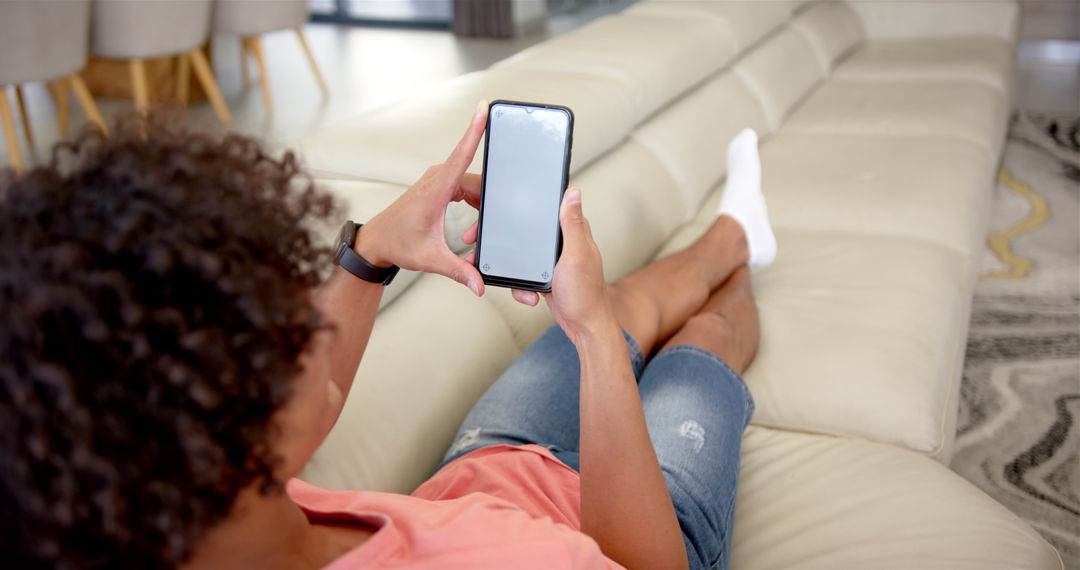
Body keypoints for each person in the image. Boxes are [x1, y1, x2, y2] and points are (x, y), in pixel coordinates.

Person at [0, 103, 776, 570]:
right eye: (280, 320)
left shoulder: (195, 514)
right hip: (636, 526)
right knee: (699, 337)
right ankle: (738, 263)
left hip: (491, 468)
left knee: (624, 301)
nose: (309, 316)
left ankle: (733, 235)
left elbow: (303, 422)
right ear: (231, 445)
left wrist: (369, 250)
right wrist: (596, 339)